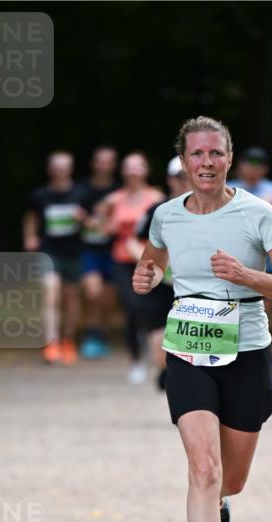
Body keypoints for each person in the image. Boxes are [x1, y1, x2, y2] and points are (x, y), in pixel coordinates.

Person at [133, 116, 272, 522]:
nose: (206, 163)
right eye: (196, 154)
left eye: (215, 154)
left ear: (228, 159)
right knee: (202, 467)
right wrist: (148, 276)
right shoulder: (165, 215)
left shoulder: (258, 212)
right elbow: (152, 262)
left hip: (247, 353)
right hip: (186, 349)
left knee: (232, 478)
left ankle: (224, 499)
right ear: (183, 162)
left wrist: (248, 275)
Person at [102, 153, 163, 384]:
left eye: (138, 167)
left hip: (150, 260)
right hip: (122, 260)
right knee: (133, 308)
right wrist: (110, 224)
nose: (133, 172)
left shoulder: (156, 197)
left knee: (150, 309)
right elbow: (103, 230)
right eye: (129, 167)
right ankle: (137, 360)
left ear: (145, 170)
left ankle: (154, 352)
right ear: (123, 171)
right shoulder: (114, 199)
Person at [23, 151, 87, 365]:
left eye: (65, 168)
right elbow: (31, 217)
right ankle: (51, 342)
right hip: (48, 251)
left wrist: (84, 219)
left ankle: (68, 340)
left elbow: (96, 224)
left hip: (74, 252)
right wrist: (30, 237)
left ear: (70, 169)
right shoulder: (40, 195)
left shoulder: (81, 193)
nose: (61, 172)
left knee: (71, 298)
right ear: (50, 170)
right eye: (57, 168)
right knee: (50, 292)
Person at [136, 156, 192, 391]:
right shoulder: (158, 211)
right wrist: (145, 263)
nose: (186, 180)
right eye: (180, 176)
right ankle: (165, 372)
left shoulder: (209, 209)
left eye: (189, 175)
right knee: (159, 332)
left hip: (192, 286)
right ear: (170, 179)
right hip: (161, 283)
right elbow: (135, 240)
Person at [230, 146, 272, 319]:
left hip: (267, 263)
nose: (253, 168)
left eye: (259, 164)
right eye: (248, 163)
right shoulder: (228, 189)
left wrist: (269, 209)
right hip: (234, 260)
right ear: (239, 165)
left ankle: (262, 342)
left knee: (263, 312)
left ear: (266, 168)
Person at [78, 146, 120, 359]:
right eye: (100, 161)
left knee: (108, 299)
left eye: (108, 161)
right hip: (90, 251)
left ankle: (101, 335)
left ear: (113, 165)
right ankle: (91, 334)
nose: (104, 165)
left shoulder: (119, 190)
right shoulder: (81, 189)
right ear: (94, 164)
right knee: (93, 292)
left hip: (112, 251)